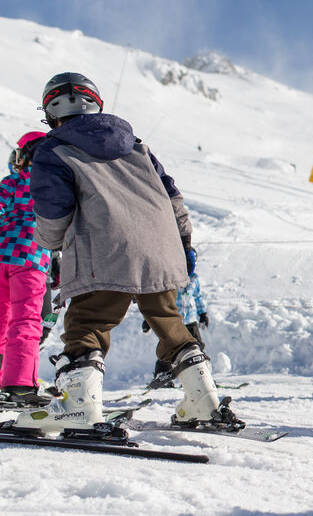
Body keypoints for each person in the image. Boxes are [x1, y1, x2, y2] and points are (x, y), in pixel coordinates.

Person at [13, 72, 239, 434]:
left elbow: (54, 213)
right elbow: (173, 199)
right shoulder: (137, 146)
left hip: (101, 249)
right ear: (96, 104)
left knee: (88, 322)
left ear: (51, 113)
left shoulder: (52, 150)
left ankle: (77, 407)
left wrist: (52, 244)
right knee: (169, 321)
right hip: (160, 248)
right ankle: (204, 401)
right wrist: (182, 247)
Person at [0, 132, 53, 407]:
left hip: (1, 256)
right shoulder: (50, 187)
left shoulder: (9, 184)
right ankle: (19, 385)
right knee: (25, 320)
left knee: (1, 320)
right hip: (31, 259)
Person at [142, 267, 210, 387]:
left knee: (197, 346)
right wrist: (148, 320)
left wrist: (202, 313)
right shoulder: (171, 276)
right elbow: (161, 301)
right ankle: (162, 373)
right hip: (174, 320)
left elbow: (197, 296)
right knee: (170, 345)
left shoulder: (194, 278)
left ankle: (202, 375)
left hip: (191, 319)